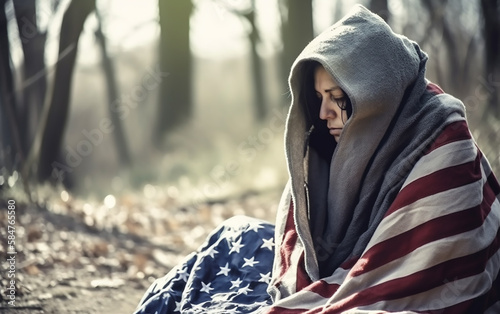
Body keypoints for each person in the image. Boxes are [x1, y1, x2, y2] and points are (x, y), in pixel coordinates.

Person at [135, 4, 500, 313]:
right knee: (234, 233)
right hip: (340, 271)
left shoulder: (443, 138)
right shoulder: (332, 142)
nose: (323, 112)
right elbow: (309, 244)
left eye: (336, 94)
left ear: (376, 90)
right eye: (317, 97)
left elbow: (424, 270)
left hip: (375, 279)